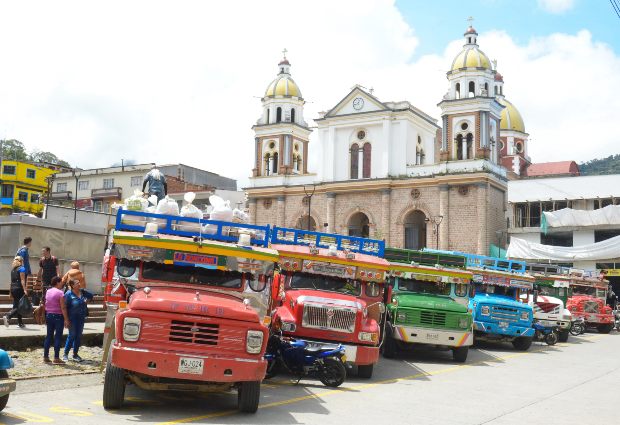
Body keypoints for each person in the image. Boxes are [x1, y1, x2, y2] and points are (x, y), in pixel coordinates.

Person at [63, 279, 93, 362]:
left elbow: (91, 296)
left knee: (78, 336)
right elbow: (64, 307)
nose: (79, 284)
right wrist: (66, 319)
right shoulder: (68, 294)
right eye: (77, 283)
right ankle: (65, 354)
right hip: (72, 319)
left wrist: (87, 300)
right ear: (72, 285)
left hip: (81, 318)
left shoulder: (82, 292)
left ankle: (75, 354)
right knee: (72, 335)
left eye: (79, 283)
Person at [43, 276, 69, 364]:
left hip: (49, 315)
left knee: (49, 336)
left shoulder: (48, 291)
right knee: (58, 337)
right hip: (58, 316)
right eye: (61, 282)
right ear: (57, 282)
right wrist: (66, 319)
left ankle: (45, 356)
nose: (62, 283)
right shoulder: (60, 293)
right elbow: (63, 307)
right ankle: (56, 357)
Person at [3, 256, 27, 328]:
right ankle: (8, 316)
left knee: (17, 305)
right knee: (20, 306)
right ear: (21, 261)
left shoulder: (13, 270)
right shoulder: (22, 268)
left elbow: (11, 282)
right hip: (19, 289)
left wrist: (10, 292)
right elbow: (22, 280)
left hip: (13, 289)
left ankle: (20, 323)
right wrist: (25, 289)